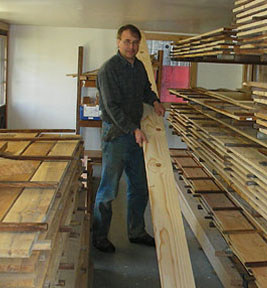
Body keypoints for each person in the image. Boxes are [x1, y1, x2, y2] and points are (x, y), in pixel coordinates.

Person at [92, 24, 165, 253]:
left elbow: (145, 89)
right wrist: (133, 129)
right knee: (109, 190)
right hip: (116, 136)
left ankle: (136, 232)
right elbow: (112, 108)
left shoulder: (139, 66)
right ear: (118, 42)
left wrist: (154, 101)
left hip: (136, 134)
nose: (131, 46)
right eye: (127, 41)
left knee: (140, 187)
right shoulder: (108, 70)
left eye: (135, 42)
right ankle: (100, 236)